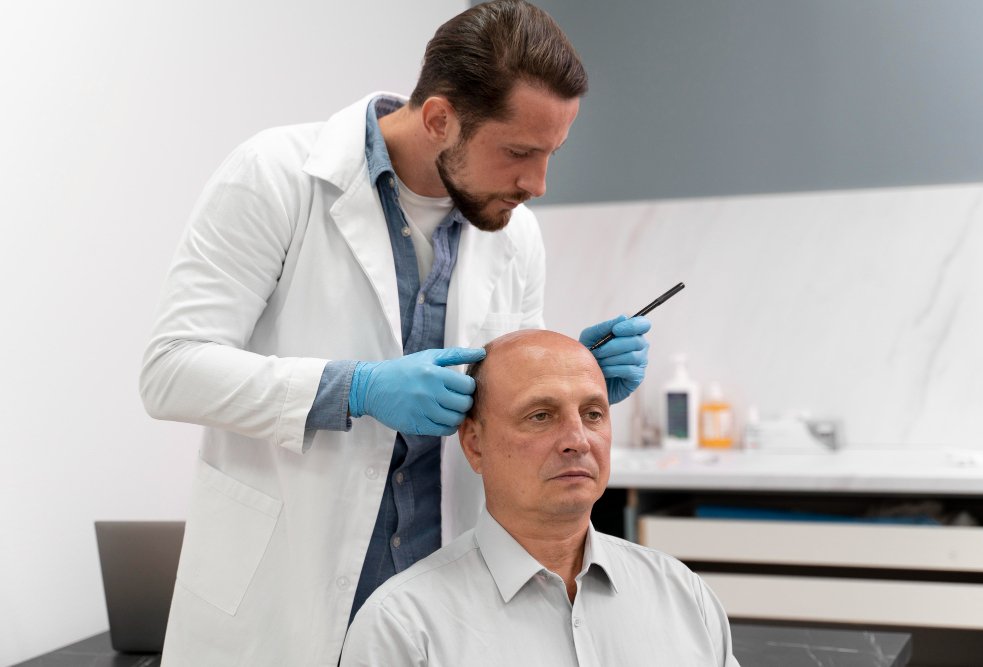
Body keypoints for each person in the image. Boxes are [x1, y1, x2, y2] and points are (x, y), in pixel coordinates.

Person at [139, 1, 651, 664]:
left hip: (440, 605)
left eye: (551, 153)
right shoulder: (276, 178)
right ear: (439, 119)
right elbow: (170, 371)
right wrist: (354, 388)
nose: (538, 183)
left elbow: (497, 422)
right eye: (519, 151)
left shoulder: (513, 231)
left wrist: (572, 380)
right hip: (284, 595)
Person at [340, 329, 739, 666]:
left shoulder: (684, 596)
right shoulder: (403, 628)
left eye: (593, 413)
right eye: (541, 415)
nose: (578, 440)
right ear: (475, 445)